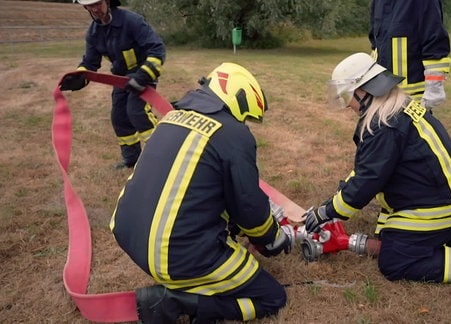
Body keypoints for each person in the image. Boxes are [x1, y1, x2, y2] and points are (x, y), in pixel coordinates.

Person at [304, 52, 451, 284]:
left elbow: (366, 183)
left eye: (348, 96)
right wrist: (335, 200)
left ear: (364, 91)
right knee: (391, 236)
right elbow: (368, 169)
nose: (347, 106)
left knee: (394, 261)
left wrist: (325, 213)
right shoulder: (399, 109)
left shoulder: (383, 126)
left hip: (441, 206)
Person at [110, 62, 292, 323]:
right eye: (246, 117)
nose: (244, 123)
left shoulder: (171, 117)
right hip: (176, 255)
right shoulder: (233, 133)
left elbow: (197, 190)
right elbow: (249, 208)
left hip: (128, 234)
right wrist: (273, 238)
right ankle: (177, 303)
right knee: (272, 297)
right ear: (239, 100)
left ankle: (187, 287)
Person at [59, 0, 166, 169]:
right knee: (119, 117)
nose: (95, 9)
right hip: (120, 79)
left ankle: (162, 156)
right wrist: (78, 77)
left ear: (107, 1)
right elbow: (90, 63)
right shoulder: (94, 33)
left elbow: (157, 49)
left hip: (143, 74)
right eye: (90, 6)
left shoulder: (131, 21)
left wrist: (142, 76)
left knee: (136, 111)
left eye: (97, 3)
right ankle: (132, 160)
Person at [369, 0, 451, 110]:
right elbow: (376, 44)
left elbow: (434, 41)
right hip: (381, 94)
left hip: (411, 99)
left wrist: (434, 89)